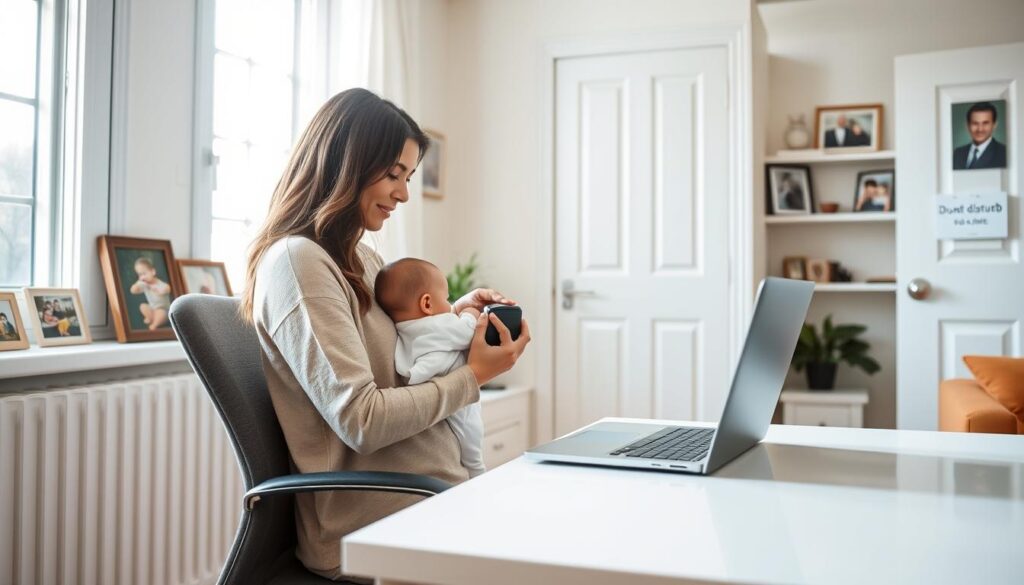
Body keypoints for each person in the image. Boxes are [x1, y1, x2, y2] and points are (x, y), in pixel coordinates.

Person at [242, 88, 530, 581]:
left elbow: (391, 361)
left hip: (431, 501)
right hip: (379, 522)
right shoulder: (298, 263)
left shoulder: (364, 260)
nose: (403, 193)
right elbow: (362, 420)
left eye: (409, 177)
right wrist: (473, 377)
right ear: (344, 162)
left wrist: (449, 317)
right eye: (393, 174)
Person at [375, 257, 487, 478]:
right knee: (473, 441)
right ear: (427, 304)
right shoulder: (437, 324)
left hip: (434, 391)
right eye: (447, 299)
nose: (450, 306)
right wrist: (471, 312)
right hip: (457, 399)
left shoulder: (405, 330)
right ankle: (479, 475)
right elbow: (468, 332)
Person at [953, 101, 1007, 170]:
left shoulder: (1004, 153)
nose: (980, 129)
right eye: (975, 123)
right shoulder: (958, 153)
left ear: (994, 125)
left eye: (985, 123)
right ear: (967, 126)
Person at [129, 258, 171, 330]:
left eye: (144, 274)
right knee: (143, 306)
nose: (143, 277)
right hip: (152, 309)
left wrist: (158, 290)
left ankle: (154, 324)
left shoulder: (160, 284)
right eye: (140, 275)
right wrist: (138, 283)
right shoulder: (145, 285)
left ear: (153, 272)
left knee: (161, 314)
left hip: (163, 309)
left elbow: (167, 289)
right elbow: (133, 291)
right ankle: (150, 317)